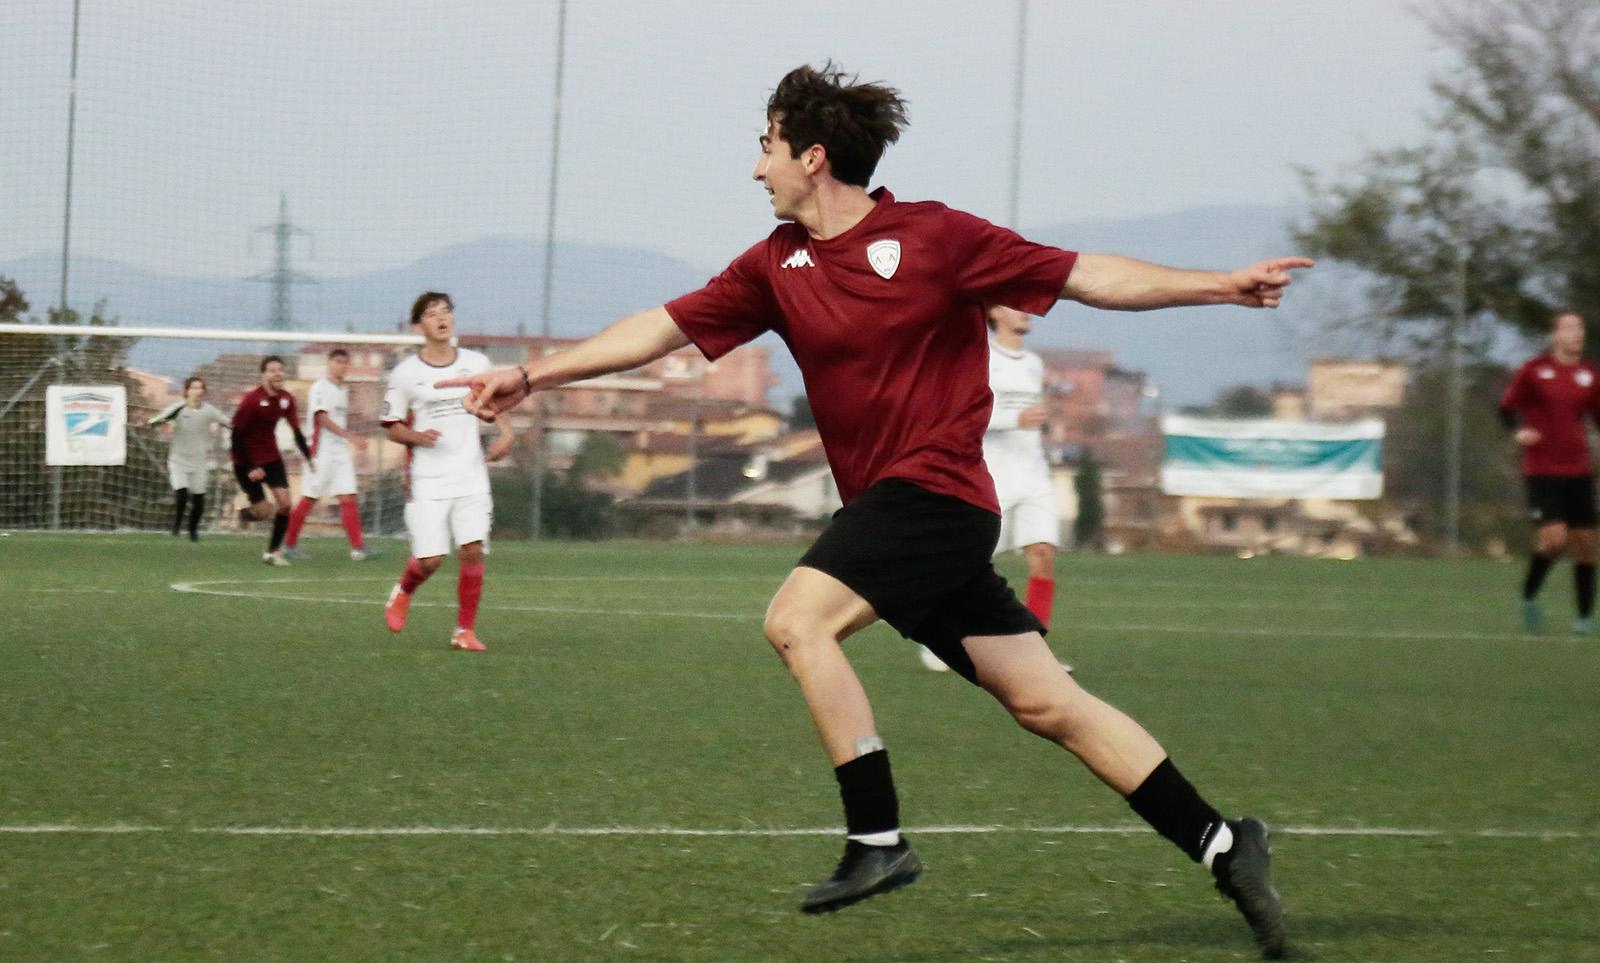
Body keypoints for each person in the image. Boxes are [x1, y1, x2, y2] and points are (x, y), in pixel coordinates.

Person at [443, 65, 1306, 958]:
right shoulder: (775, 265)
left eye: (767, 148)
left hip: (936, 497)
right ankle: (1223, 842)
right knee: (1047, 701)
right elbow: (659, 328)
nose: (757, 168)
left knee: (797, 621)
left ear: (813, 157)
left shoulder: (937, 236)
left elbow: (1087, 275)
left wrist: (1221, 285)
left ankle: (877, 839)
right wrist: (531, 375)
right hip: (902, 515)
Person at [919, 305, 1068, 672]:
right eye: (1017, 305)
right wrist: (1015, 418)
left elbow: (1031, 416)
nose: (1027, 311)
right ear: (996, 313)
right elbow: (963, 415)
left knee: (1043, 555)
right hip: (992, 476)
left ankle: (1036, 657)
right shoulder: (980, 358)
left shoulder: (1033, 363)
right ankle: (939, 638)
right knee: (968, 563)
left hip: (1034, 475)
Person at [381, 292, 515, 652]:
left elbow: (495, 401)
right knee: (432, 559)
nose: (441, 318)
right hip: (427, 477)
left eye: (446, 312)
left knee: (472, 549)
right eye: (431, 313)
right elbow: (392, 427)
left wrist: (506, 433)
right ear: (418, 326)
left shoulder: (476, 362)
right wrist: (417, 437)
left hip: (471, 473)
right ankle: (403, 590)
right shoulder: (405, 373)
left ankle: (463, 631)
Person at [1499, 311, 1600, 634]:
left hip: (1578, 468)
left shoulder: (1589, 374)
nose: (1577, 334)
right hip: (1542, 469)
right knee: (1555, 540)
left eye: (1580, 328)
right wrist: (1518, 431)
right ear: (1555, 335)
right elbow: (1506, 409)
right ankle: (1529, 596)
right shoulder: (1533, 370)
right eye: (1569, 328)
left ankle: (1584, 618)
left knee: (1586, 542)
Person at [282, 348, 372, 561]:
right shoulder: (320, 387)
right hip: (320, 450)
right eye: (338, 361)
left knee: (348, 496)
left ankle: (358, 548)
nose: (342, 366)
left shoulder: (343, 389)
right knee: (310, 497)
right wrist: (350, 436)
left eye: (345, 362)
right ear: (329, 364)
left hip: (339, 451)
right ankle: (289, 545)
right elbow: (321, 418)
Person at [231, 355, 311, 566]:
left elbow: (296, 431)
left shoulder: (287, 399)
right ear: (264, 375)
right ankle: (243, 515)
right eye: (272, 370)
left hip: (272, 457)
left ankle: (273, 552)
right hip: (245, 460)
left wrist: (309, 456)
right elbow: (236, 437)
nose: (277, 374)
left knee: (285, 505)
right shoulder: (251, 400)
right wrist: (250, 466)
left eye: (280, 370)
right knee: (263, 512)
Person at [146, 376, 230, 540]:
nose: (198, 391)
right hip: (178, 461)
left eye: (201, 388)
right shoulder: (178, 408)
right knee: (182, 494)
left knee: (199, 499)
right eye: (194, 388)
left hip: (199, 462)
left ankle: (193, 530)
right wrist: (156, 422)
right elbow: (155, 420)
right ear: (187, 391)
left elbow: (229, 422)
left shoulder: (209, 410)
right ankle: (177, 525)